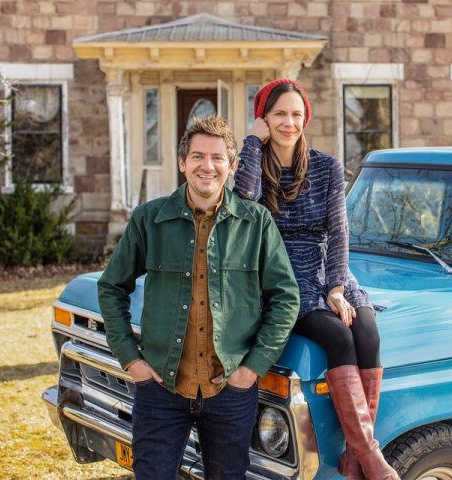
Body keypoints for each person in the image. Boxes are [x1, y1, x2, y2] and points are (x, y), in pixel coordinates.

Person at [98, 116, 300, 480]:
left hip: (230, 390)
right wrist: (131, 360)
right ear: (182, 163)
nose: (208, 166)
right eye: (197, 156)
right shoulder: (149, 219)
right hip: (161, 389)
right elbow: (111, 286)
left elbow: (286, 298)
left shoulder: (256, 223)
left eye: (217, 157)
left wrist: (252, 368)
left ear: (232, 165)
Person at [234, 78, 399, 480]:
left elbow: (339, 230)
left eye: (296, 114)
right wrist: (251, 142)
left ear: (305, 118)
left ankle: (356, 456)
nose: (289, 123)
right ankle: (369, 456)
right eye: (279, 114)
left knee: (367, 331)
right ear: (264, 118)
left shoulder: (326, 166)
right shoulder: (255, 163)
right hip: (280, 271)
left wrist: (337, 288)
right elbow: (242, 202)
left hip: (327, 266)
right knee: (337, 336)